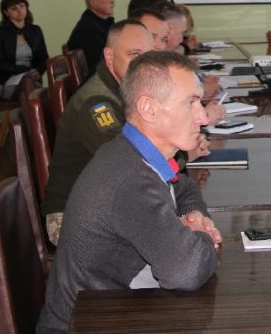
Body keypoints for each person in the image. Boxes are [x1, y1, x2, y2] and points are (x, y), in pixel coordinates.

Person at [37, 51, 220, 333]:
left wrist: (193, 213)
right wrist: (203, 236)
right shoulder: (131, 179)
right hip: (85, 323)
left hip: (115, 309)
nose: (203, 117)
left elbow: (183, 186)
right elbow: (186, 270)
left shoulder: (133, 152)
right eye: (190, 103)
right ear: (148, 108)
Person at [43, 20, 156, 245]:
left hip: (108, 200)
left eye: (148, 56)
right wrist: (180, 154)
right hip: (71, 217)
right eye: (134, 55)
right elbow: (129, 161)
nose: (143, 65)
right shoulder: (96, 102)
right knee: (168, 239)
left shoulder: (127, 88)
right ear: (109, 56)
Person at [0, 0, 49, 99]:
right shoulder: (0, 33)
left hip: (32, 77)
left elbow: (44, 58)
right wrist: (24, 71)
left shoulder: (35, 30)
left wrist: (38, 72)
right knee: (28, 85)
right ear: (6, 12)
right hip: (7, 80)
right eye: (14, 8)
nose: (19, 10)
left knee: (32, 86)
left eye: (22, 6)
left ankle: (32, 109)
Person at [66, 0, 115, 76]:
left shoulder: (103, 24)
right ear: (93, 2)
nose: (112, 0)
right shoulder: (89, 30)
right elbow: (103, 65)